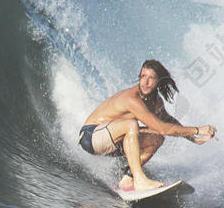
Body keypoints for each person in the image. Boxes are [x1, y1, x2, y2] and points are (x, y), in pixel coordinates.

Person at [78, 59, 216, 191]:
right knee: (132, 125)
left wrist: (193, 137)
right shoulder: (132, 99)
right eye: (143, 76)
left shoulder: (155, 101)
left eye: (151, 78)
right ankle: (139, 180)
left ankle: (128, 178)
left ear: (159, 81)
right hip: (91, 136)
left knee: (157, 137)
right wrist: (198, 129)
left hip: (113, 142)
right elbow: (162, 128)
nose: (145, 82)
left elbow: (167, 122)